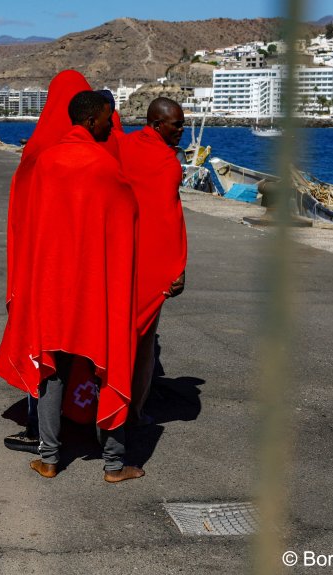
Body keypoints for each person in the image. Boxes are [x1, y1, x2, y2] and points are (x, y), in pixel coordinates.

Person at [0, 90, 144, 483]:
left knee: (51, 370)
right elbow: (128, 218)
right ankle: (113, 465)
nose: (112, 124)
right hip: (93, 286)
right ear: (92, 120)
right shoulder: (103, 164)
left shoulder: (46, 162)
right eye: (108, 118)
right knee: (103, 366)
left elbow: (30, 226)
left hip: (51, 286)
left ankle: (49, 458)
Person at [1, 70, 93, 454]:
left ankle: (40, 429)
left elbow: (21, 217)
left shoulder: (37, 150)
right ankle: (86, 419)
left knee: (43, 347)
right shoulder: (101, 147)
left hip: (41, 269)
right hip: (88, 269)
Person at [118, 97, 188, 425]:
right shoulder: (167, 162)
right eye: (176, 124)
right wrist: (176, 268)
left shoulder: (123, 146)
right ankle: (133, 411)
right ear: (157, 124)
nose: (181, 130)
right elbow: (166, 220)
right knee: (143, 341)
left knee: (120, 334)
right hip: (148, 264)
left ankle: (105, 406)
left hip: (119, 254)